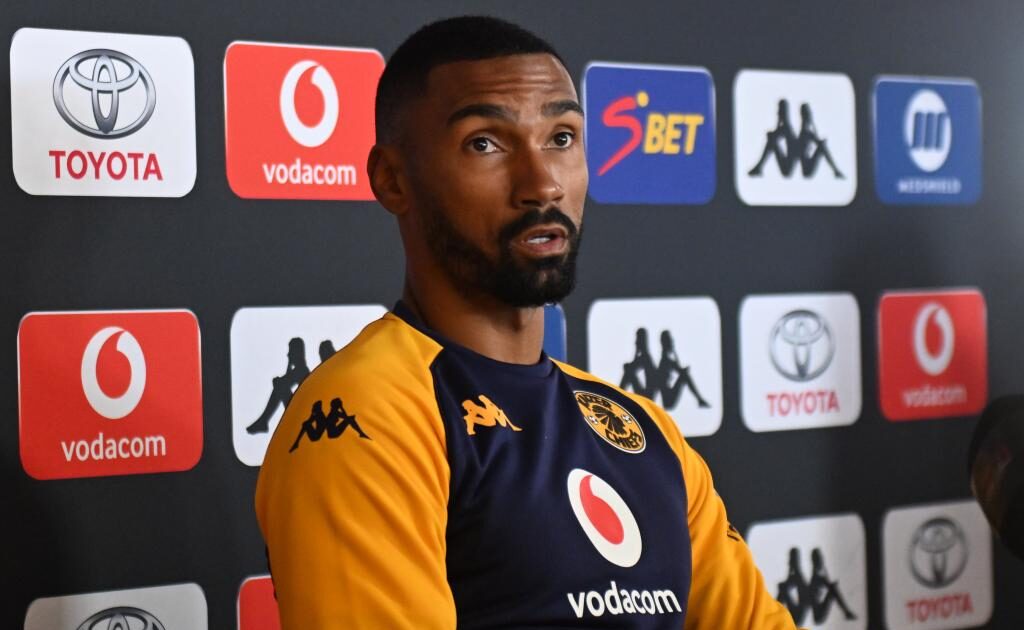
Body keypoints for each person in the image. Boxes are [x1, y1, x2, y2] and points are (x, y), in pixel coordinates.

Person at [256, 16, 798, 629]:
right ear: (392, 180)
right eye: (485, 144)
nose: (542, 185)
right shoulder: (367, 413)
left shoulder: (643, 431)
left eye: (561, 138)